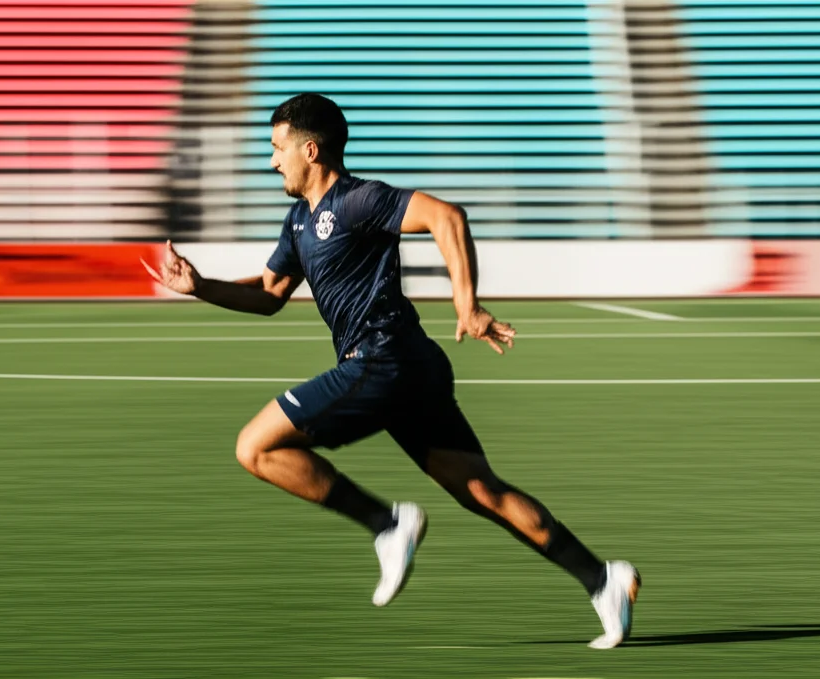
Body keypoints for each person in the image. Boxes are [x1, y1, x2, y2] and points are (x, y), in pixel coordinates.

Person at [142, 93, 640, 649]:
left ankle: (387, 523)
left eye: (279, 148)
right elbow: (269, 293)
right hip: (413, 367)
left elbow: (446, 216)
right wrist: (201, 286)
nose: (272, 160)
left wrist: (467, 305)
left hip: (382, 359)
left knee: (255, 447)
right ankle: (603, 580)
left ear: (311, 149)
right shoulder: (298, 222)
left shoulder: (359, 200)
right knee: (482, 491)